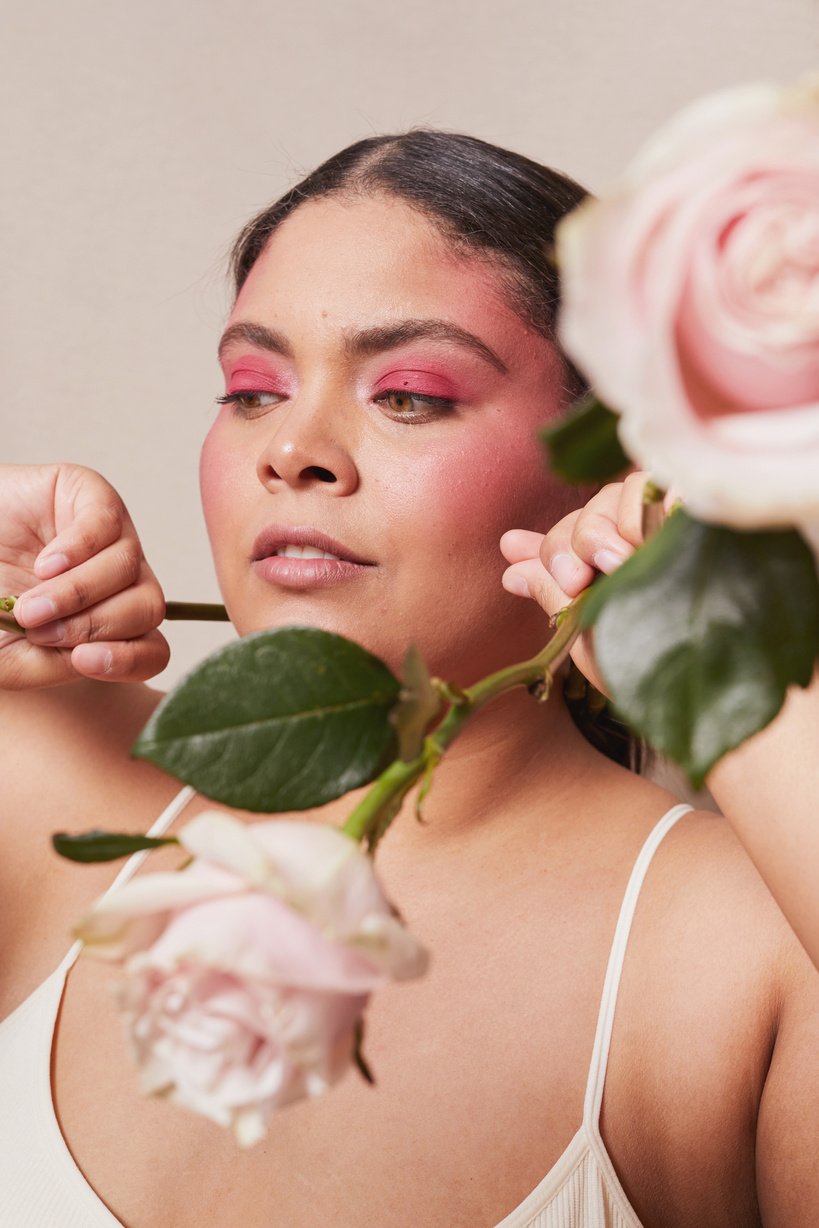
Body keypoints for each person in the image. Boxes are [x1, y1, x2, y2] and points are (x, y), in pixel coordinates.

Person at [1, 131, 818, 1228]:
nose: (294, 447)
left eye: (411, 395)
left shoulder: (740, 947)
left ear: (621, 463)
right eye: (251, 389)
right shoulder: (49, 785)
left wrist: (752, 692)